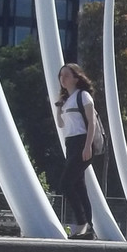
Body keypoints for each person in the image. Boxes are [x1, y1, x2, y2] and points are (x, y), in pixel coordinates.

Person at [55, 63, 97, 240]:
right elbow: (61, 124)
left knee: (65, 184)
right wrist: (58, 106)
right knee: (80, 187)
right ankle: (88, 228)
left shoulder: (83, 96)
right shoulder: (67, 100)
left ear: (76, 78)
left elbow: (92, 122)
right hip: (70, 143)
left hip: (82, 142)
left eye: (66, 75)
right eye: (61, 76)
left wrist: (87, 146)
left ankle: (82, 223)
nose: (62, 79)